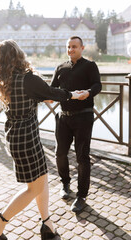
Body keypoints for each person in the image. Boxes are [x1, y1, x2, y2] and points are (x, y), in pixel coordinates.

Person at [0, 39, 86, 239]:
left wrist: (49, 95)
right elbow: (50, 93)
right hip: (28, 140)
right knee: (34, 188)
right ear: (18, 54)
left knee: (42, 180)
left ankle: (47, 224)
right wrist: (74, 95)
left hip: (15, 136)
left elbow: (43, 95)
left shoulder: (6, 79)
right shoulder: (27, 78)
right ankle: (1, 221)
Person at [50, 36, 102, 213]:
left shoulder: (90, 66)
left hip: (83, 117)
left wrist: (88, 93)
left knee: (82, 157)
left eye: (74, 46)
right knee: (60, 154)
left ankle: (81, 196)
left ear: (82, 48)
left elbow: (98, 85)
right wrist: (45, 95)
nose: (71, 49)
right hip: (63, 117)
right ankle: (65, 183)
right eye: (68, 47)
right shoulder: (60, 67)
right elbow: (52, 90)